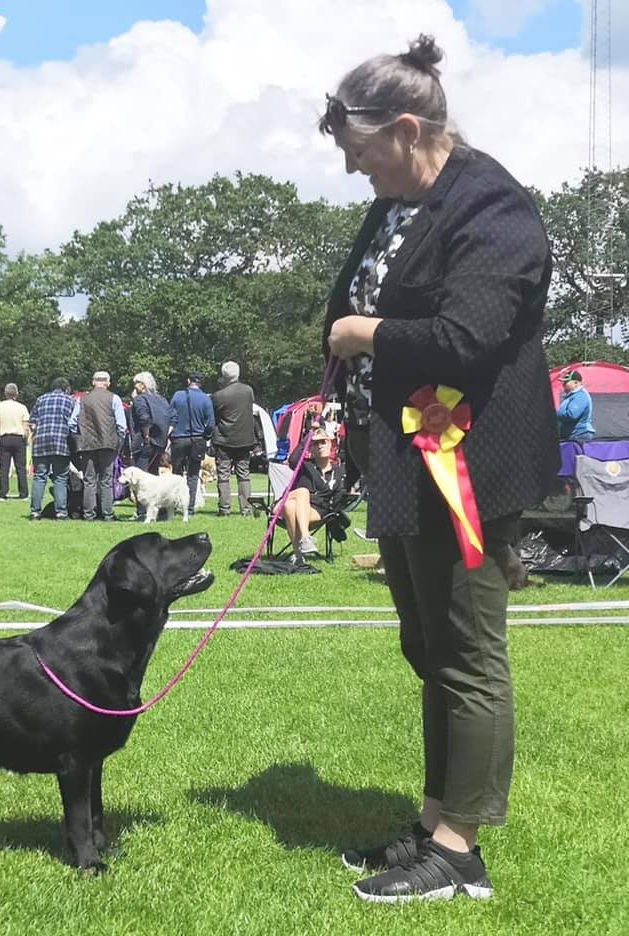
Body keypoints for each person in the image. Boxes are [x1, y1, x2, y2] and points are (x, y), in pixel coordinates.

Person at [319, 35, 559, 903]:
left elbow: (468, 338)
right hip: (403, 458)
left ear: (408, 129)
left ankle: (461, 854)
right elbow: (359, 296)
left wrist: (364, 334)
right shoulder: (400, 203)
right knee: (428, 645)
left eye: (361, 152)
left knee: (468, 653)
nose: (354, 170)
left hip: (468, 463)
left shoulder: (493, 207)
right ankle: (433, 823)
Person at [282, 425, 347, 565]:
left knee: (290, 506)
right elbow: (293, 460)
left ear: (331, 445)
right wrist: (309, 435)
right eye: (315, 443)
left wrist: (337, 516)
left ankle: (298, 554)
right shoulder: (305, 466)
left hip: (318, 510)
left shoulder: (339, 471)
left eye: (323, 442)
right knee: (302, 492)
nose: (320, 446)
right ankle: (305, 538)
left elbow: (340, 496)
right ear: (310, 448)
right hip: (294, 501)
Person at [69, 371, 127, 521]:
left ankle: (89, 514)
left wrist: (79, 438)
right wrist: (118, 443)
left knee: (89, 480)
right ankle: (107, 513)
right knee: (106, 480)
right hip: (108, 444)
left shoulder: (82, 399)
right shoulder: (114, 398)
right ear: (108, 383)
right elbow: (121, 425)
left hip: (87, 445)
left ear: (93, 382)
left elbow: (72, 423)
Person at [211, 361, 256, 517]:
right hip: (245, 439)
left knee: (223, 474)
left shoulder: (218, 396)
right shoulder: (248, 391)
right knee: (244, 474)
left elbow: (215, 417)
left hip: (223, 439)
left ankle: (224, 509)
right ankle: (246, 508)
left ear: (224, 376)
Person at [169, 371, 214, 517]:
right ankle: (189, 508)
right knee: (193, 474)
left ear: (188, 381)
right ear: (201, 383)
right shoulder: (206, 399)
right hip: (197, 439)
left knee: (176, 474)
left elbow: (171, 416)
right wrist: (205, 436)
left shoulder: (177, 396)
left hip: (178, 438)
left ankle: (174, 505)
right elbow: (210, 424)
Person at [29, 377, 75, 520]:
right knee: (60, 478)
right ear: (67, 388)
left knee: (39, 476)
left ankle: (35, 511)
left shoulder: (41, 399)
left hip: (41, 442)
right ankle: (60, 512)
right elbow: (74, 422)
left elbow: (32, 422)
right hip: (61, 442)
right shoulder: (70, 401)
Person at [130, 371, 171, 520]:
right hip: (160, 443)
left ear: (142, 385)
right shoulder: (162, 400)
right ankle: (160, 511)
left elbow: (144, 419)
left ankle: (142, 512)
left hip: (144, 442)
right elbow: (172, 417)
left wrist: (146, 437)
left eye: (136, 384)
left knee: (140, 478)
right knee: (155, 477)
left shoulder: (140, 399)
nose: (134, 387)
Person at [0, 383, 31, 500]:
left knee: (4, 468)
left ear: (5, 394)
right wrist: (26, 439)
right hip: (19, 438)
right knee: (21, 467)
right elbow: (26, 426)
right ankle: (24, 493)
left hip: (4, 438)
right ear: (17, 394)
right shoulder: (22, 407)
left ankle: (2, 493)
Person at [556, 369, 595, 442]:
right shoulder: (572, 395)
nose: (563, 384)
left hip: (579, 435)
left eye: (566, 382)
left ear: (576, 383)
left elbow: (572, 414)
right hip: (572, 435)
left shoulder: (580, 395)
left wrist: (554, 414)